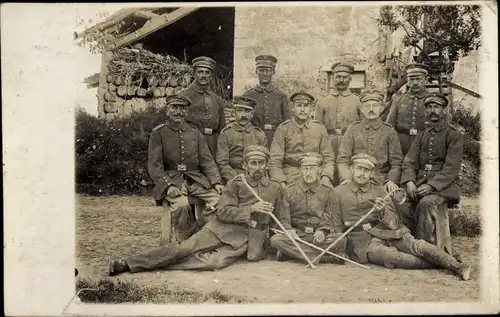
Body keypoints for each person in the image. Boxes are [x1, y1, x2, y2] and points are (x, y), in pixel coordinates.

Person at [108, 145, 286, 275]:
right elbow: (223, 212)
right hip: (221, 229)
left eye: (261, 163)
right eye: (253, 163)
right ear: (245, 165)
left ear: (267, 164)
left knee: (213, 263)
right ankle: (128, 263)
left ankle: (160, 263)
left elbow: (282, 218)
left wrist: (286, 232)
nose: (257, 168)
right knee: (185, 249)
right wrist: (251, 209)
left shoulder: (275, 188)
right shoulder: (236, 183)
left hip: (248, 239)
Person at [331, 153, 471, 281]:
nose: (362, 174)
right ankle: (446, 262)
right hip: (362, 241)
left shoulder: (379, 190)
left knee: (417, 245)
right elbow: (336, 225)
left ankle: (457, 267)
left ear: (372, 172)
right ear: (351, 169)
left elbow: (394, 222)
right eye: (359, 169)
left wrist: (382, 212)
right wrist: (342, 248)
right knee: (392, 257)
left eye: (366, 170)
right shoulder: (338, 193)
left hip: (387, 231)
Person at [148, 94, 224, 241]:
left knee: (220, 201)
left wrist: (216, 182)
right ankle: (182, 241)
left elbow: (207, 161)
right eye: (174, 108)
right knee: (182, 206)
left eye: (182, 108)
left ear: (186, 111)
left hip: (195, 179)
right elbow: (155, 166)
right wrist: (168, 186)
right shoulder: (159, 133)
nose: (178, 112)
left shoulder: (195, 133)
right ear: (167, 110)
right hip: (172, 180)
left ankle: (198, 232)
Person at [401, 92, 463, 255]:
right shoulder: (422, 135)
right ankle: (406, 243)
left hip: (445, 187)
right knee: (400, 202)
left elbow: (451, 168)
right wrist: (409, 182)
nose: (432, 110)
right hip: (420, 183)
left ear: (444, 110)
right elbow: (409, 161)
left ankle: (425, 249)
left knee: (426, 203)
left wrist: (431, 186)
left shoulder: (454, 135)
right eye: (429, 107)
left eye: (436, 107)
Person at [270, 152, 346, 264]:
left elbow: (330, 217)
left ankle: (293, 254)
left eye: (312, 169)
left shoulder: (328, 192)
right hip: (298, 235)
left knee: (341, 240)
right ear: (300, 169)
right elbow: (284, 217)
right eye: (305, 169)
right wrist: (289, 230)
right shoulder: (290, 191)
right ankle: (323, 257)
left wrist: (323, 231)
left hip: (317, 237)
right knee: (275, 240)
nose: (308, 173)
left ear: (319, 169)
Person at [337, 90, 403, 189]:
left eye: (375, 106)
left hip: (381, 180)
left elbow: (397, 162)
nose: (371, 109)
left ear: (381, 108)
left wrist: (391, 180)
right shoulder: (353, 129)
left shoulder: (389, 131)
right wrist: (346, 178)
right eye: (367, 106)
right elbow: (343, 159)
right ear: (362, 109)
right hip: (355, 178)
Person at [268, 91, 335, 189]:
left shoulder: (319, 128)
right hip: (290, 175)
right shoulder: (283, 129)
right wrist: (281, 181)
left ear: (311, 108)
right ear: (293, 108)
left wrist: (326, 177)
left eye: (306, 106)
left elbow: (328, 158)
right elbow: (274, 160)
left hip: (316, 174)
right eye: (299, 106)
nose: (302, 109)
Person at [314, 61, 361, 184]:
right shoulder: (323, 101)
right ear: (333, 78)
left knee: (349, 174)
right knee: (329, 173)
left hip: (351, 143)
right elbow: (316, 128)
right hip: (328, 142)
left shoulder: (357, 101)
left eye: (344, 77)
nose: (341, 80)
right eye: (338, 77)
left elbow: (362, 127)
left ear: (350, 79)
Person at [179, 56, 227, 156]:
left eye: (207, 72)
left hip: (213, 144)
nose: (203, 75)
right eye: (200, 72)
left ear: (211, 76)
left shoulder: (217, 99)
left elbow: (222, 128)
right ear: (194, 74)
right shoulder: (183, 96)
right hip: (191, 143)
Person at [216, 96, 267, 184]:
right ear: (234, 113)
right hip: (232, 176)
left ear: (252, 114)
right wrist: (234, 178)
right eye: (239, 111)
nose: (243, 115)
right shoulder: (226, 133)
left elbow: (265, 161)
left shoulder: (259, 134)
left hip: (255, 175)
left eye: (247, 111)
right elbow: (222, 163)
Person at [386, 63, 432, 156]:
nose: (415, 82)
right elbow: (389, 125)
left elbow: (442, 127)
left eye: (418, 79)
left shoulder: (433, 101)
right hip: (401, 145)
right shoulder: (398, 100)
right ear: (407, 81)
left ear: (426, 80)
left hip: (425, 144)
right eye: (411, 79)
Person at [243, 55, 290, 143]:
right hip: (254, 138)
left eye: (268, 71)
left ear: (273, 72)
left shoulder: (280, 95)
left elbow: (287, 122)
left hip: (276, 138)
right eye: (261, 70)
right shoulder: (248, 95)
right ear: (256, 71)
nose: (264, 74)